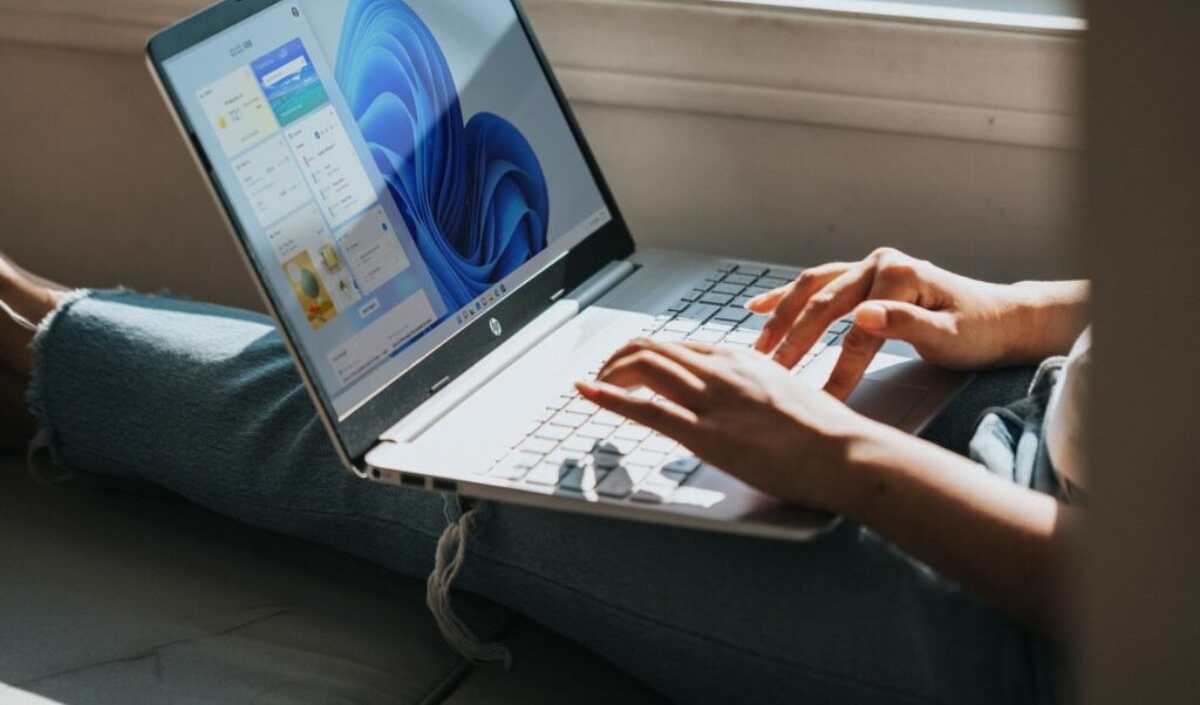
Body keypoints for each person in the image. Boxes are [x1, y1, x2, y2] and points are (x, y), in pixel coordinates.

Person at [0, 247, 1088, 703]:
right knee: (470, 382)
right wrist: (1024, 311)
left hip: (1024, 615)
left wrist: (838, 453)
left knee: (389, 444)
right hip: (1034, 411)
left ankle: (21, 332)